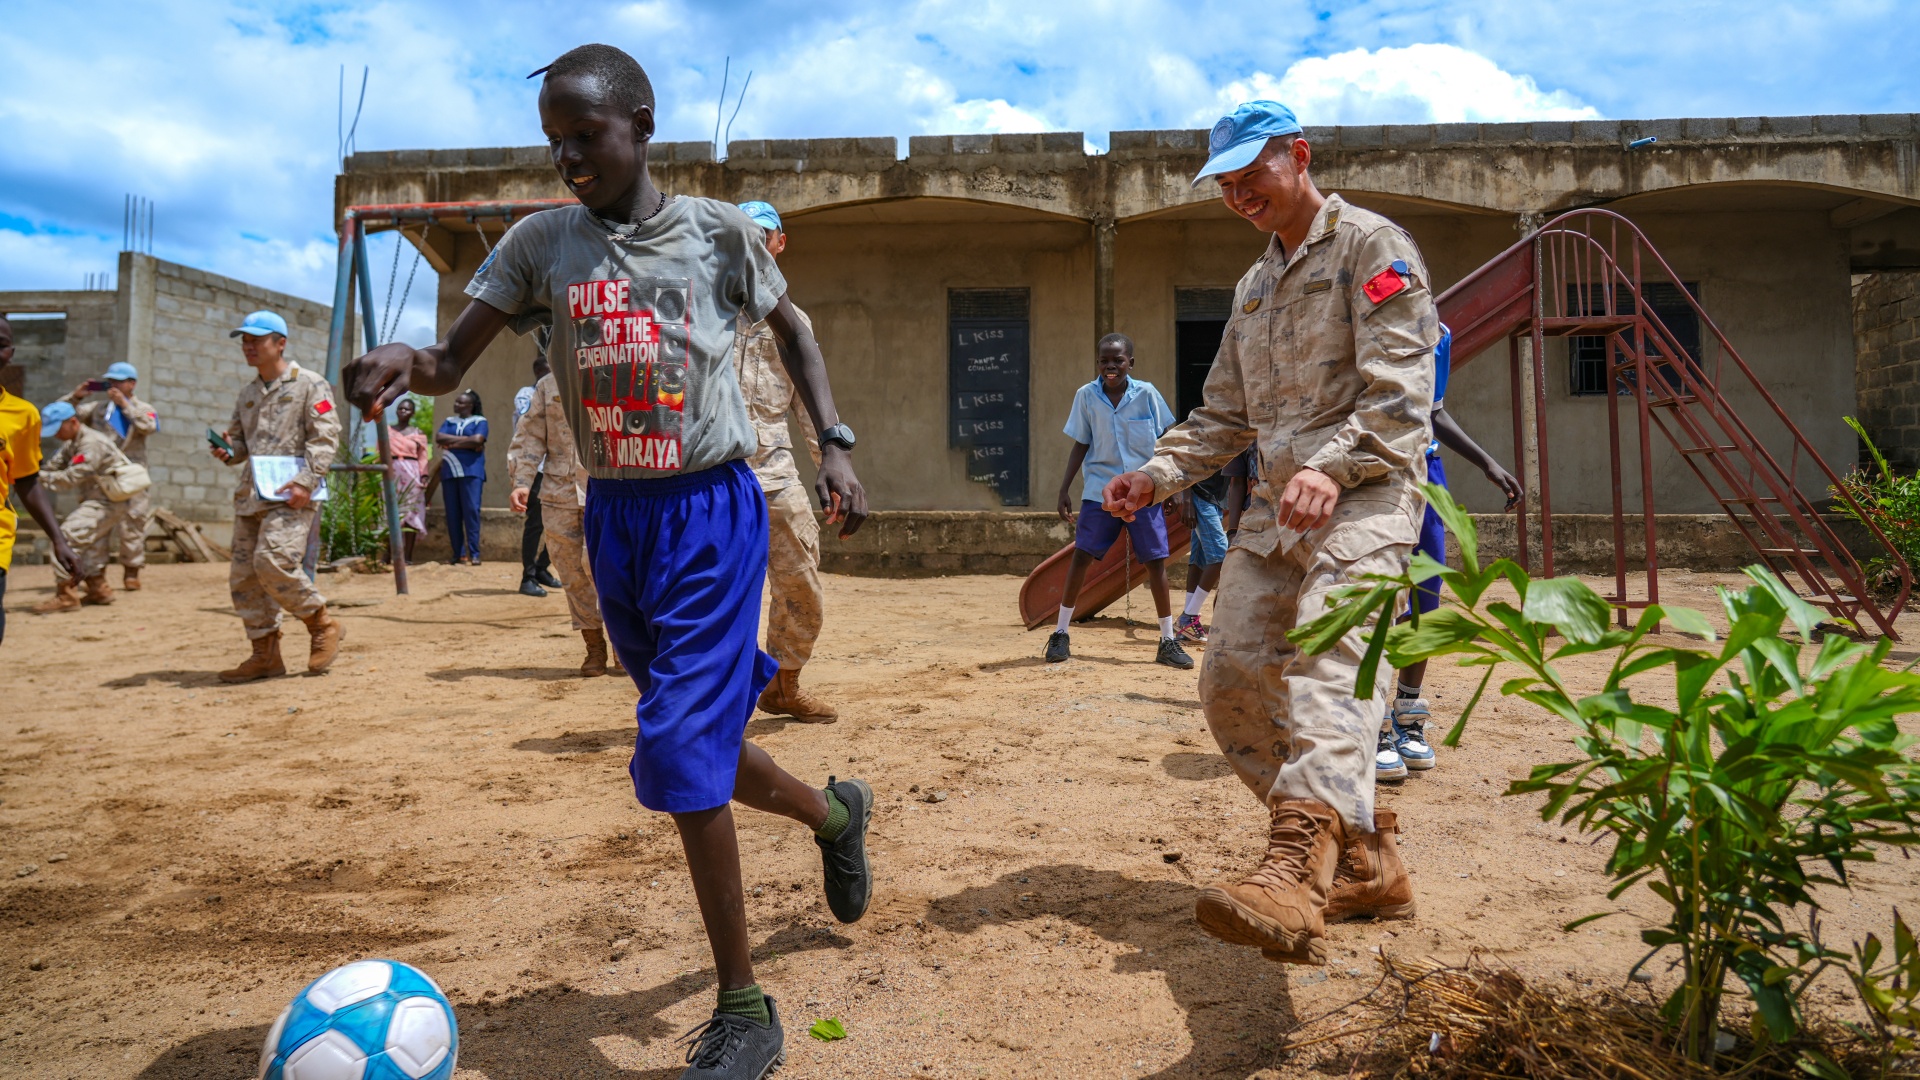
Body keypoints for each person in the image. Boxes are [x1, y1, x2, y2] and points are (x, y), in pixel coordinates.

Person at [341, 45, 873, 1078]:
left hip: (712, 513)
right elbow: (454, 359)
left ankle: (744, 1006)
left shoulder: (717, 233)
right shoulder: (546, 243)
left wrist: (836, 440)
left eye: (587, 136)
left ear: (642, 124)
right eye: (556, 141)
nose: (571, 156)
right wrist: (413, 357)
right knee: (701, 744)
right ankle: (834, 811)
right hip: (617, 517)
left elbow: (794, 327)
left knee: (677, 747)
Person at [1103, 100, 1434, 963]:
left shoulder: (1373, 247)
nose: (1241, 191)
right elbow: (1222, 416)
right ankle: (1365, 860)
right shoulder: (1252, 288)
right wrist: (1159, 473)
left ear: (1300, 155)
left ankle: (1296, 869)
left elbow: (1401, 396)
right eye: (1226, 182)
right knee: (1232, 682)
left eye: (1255, 172)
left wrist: (1334, 465)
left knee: (1330, 664)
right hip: (1273, 514)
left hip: (1363, 499)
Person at [1378, 325, 1523, 779]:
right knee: (1375, 595)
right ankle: (1373, 720)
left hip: (1427, 472)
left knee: (1426, 596)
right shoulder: (1352, 324)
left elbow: (1432, 410)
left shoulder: (1437, 334)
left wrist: (1486, 462)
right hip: (1371, 469)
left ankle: (1408, 715)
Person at [733, 200, 838, 722]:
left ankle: (783, 685)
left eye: (763, 235)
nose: (755, 244)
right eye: (743, 236)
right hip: (713, 479)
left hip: (775, 476)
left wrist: (830, 463)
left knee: (802, 587)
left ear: (779, 242)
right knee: (718, 597)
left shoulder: (795, 322)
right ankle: (716, 700)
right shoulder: (702, 314)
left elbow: (808, 400)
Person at [210, 309, 345, 682]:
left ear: (280, 343)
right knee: (244, 578)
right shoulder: (249, 393)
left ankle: (322, 624)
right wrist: (227, 449)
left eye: (256, 339)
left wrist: (306, 481)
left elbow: (325, 436)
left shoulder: (310, 385)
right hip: (252, 495)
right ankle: (265, 653)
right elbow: (241, 444)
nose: (248, 346)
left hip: (293, 494)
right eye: (245, 341)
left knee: (273, 560)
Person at [1046, 332, 1192, 670]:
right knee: (1082, 556)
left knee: (1156, 562)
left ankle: (1167, 640)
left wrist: (1175, 488)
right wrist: (1064, 489)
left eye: (1118, 360)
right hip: (1100, 492)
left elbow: (1168, 442)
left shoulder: (1147, 394)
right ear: (1097, 362)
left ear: (1131, 363)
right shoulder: (1086, 396)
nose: (1110, 367)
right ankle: (1060, 633)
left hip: (1144, 491)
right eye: (1104, 360)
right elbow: (1081, 443)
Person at [509, 356, 613, 677]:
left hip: (610, 489)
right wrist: (522, 481)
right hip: (559, 493)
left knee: (611, 568)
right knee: (571, 570)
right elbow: (530, 435)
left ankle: (627, 644)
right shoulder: (548, 385)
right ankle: (594, 646)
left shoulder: (620, 372)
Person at [0, 317, 80, 642]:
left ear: (10, 352)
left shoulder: (23, 415)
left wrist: (58, 540)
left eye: (0, 344)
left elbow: (27, 482)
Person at [30, 401, 137, 612]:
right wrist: (34, 469)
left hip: (108, 501)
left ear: (72, 422)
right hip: (100, 501)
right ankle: (99, 589)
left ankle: (66, 595)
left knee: (65, 537)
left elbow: (71, 477)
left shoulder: (91, 443)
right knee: (92, 542)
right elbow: (54, 466)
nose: (55, 435)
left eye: (57, 429)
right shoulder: (72, 442)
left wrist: (32, 478)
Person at [64, 361, 158, 590]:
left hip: (130, 478)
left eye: (118, 381)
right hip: (100, 478)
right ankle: (97, 576)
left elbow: (149, 426)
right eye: (110, 381)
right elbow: (63, 416)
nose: (113, 385)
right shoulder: (97, 409)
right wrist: (75, 397)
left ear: (131, 384)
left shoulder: (142, 407)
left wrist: (125, 405)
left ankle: (132, 572)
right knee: (97, 524)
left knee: (133, 524)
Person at [511, 350, 562, 595]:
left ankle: (542, 567)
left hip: (556, 471)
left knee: (558, 525)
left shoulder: (561, 392)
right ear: (542, 372)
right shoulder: (527, 394)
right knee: (535, 524)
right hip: (535, 470)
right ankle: (527, 577)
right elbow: (530, 424)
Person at [436, 389, 487, 565]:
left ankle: (475, 553)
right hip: (450, 471)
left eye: (460, 402)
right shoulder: (449, 421)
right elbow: (439, 437)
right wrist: (467, 442)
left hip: (471, 472)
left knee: (471, 511)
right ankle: (458, 554)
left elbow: (478, 440)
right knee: (452, 514)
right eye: (456, 402)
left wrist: (451, 444)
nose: (456, 405)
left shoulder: (480, 421)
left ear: (470, 405)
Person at [387, 396, 432, 564]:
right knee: (390, 512)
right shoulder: (387, 431)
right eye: (400, 408)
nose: (403, 412)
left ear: (412, 412)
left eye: (407, 409)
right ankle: (388, 554)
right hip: (391, 472)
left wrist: (424, 474)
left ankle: (407, 557)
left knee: (412, 513)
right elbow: (379, 453)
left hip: (412, 473)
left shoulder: (418, 434)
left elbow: (423, 457)